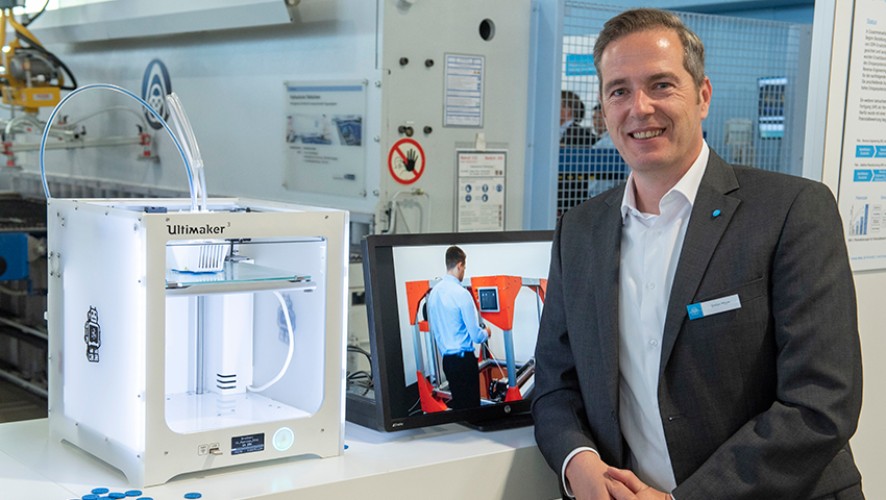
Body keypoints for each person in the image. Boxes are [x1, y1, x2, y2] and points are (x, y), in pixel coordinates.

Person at [532, 8, 863, 500]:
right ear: (603, 107)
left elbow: (821, 402)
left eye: (661, 85)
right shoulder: (580, 232)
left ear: (702, 95)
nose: (639, 108)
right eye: (619, 90)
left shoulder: (791, 211)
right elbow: (556, 386)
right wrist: (577, 463)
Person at [427, 245, 490, 410]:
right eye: (464, 268)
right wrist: (486, 332)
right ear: (460, 265)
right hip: (464, 362)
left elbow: (436, 328)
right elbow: (476, 336)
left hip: (447, 362)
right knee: (471, 409)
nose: (464, 272)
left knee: (459, 408)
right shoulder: (462, 294)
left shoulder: (433, 294)